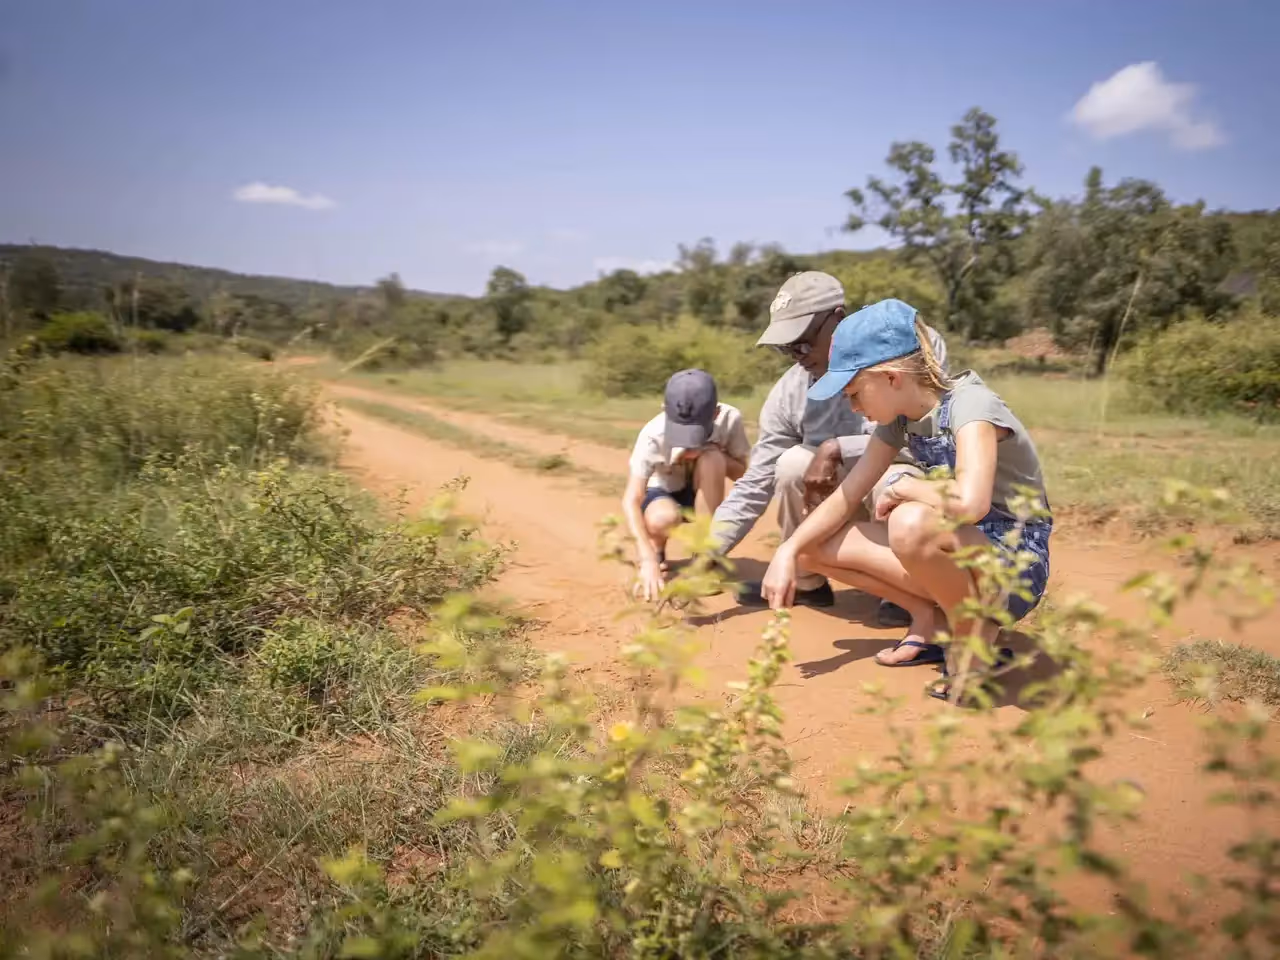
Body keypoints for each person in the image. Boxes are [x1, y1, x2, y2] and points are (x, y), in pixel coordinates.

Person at [759, 298, 1053, 677]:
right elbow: (849, 494)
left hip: (1014, 566)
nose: (852, 408)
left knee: (909, 521)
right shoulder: (899, 421)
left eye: (854, 393)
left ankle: (973, 640)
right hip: (962, 554)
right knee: (810, 548)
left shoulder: (972, 406)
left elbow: (971, 504)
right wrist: (788, 549)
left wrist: (905, 488)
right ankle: (929, 619)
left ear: (892, 378)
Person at [711, 271, 948, 622]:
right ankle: (807, 582)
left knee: (893, 477)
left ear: (838, 317)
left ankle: (910, 587)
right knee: (791, 463)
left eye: (804, 341)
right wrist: (707, 553)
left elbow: (932, 441)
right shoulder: (791, 391)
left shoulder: (906, 349)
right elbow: (757, 479)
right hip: (842, 498)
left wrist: (839, 447)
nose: (798, 356)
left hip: (913, 491)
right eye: (787, 348)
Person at [624, 368, 751, 601]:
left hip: (704, 491)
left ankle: (703, 558)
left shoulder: (730, 419)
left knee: (712, 459)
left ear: (716, 413)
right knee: (663, 519)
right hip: (664, 492)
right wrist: (647, 559)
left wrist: (714, 452)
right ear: (665, 411)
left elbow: (745, 474)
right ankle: (656, 549)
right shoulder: (653, 433)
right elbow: (632, 499)